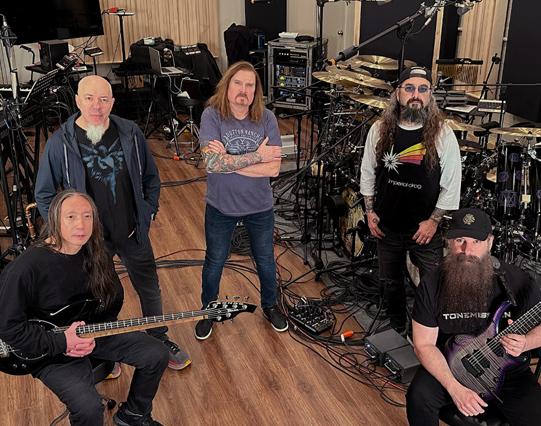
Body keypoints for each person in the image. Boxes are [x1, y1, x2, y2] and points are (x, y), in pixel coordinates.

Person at [34, 75, 190, 370]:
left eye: (104, 99)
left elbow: (151, 178)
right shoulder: (59, 143)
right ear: (77, 101)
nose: (97, 105)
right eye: (89, 98)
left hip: (132, 232)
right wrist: (64, 229)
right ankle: (106, 350)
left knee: (149, 287)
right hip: (91, 242)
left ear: (112, 102)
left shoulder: (130, 132)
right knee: (98, 296)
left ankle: (159, 337)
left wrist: (148, 211)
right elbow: (44, 194)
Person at [0, 190, 168, 425]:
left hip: (90, 332)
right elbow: (9, 330)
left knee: (156, 353)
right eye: (71, 216)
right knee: (88, 409)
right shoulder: (24, 269)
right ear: (54, 219)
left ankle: (134, 414)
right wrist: (64, 342)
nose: (81, 224)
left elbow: (114, 299)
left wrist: (96, 333)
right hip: (47, 349)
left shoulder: (98, 253)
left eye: (87, 216)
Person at [407, 208, 541, 425]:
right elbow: (423, 345)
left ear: (490, 242)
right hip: (450, 364)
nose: (467, 250)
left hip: (507, 369)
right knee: (419, 398)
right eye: (460, 240)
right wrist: (454, 388)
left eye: (476, 242)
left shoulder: (516, 280)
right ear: (448, 242)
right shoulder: (432, 284)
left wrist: (527, 342)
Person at [360, 66, 462, 334]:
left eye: (422, 89)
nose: (416, 95)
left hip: (424, 230)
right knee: (390, 282)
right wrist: (369, 211)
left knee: (432, 284)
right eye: (409, 88)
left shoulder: (443, 134)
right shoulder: (380, 129)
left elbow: (451, 186)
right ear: (398, 93)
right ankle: (397, 327)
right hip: (387, 226)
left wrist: (433, 222)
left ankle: (428, 332)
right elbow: (367, 172)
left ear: (429, 95)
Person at [194, 61, 287, 340]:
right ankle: (208, 311)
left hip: (259, 206)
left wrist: (229, 161)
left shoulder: (267, 118)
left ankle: (270, 305)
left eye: (249, 85)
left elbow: (274, 169)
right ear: (227, 85)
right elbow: (212, 163)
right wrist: (257, 156)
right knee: (214, 261)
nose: (243, 90)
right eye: (238, 83)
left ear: (256, 91)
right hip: (221, 205)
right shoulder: (212, 115)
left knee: (266, 260)